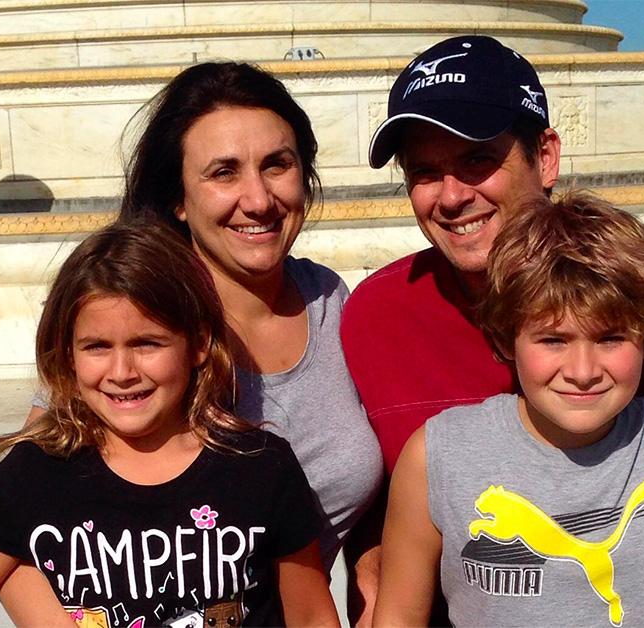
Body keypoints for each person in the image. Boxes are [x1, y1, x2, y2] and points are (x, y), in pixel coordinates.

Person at [342, 35, 644, 625]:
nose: (453, 196)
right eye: (425, 172)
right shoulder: (374, 314)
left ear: (545, 158)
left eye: (477, 160)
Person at [372, 191, 644, 626]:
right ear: (506, 339)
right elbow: (399, 616)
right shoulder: (437, 457)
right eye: (554, 340)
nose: (583, 371)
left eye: (610, 339)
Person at [24, 62, 383, 576]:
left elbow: (377, 499)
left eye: (277, 164)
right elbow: (19, 524)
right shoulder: (135, 319)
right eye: (223, 172)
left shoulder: (330, 300)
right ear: (178, 199)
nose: (258, 200)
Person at [0, 223, 340, 627]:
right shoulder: (35, 475)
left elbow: (312, 617)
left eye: (147, 343)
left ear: (200, 344)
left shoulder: (261, 467)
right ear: (67, 354)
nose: (122, 371)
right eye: (96, 346)